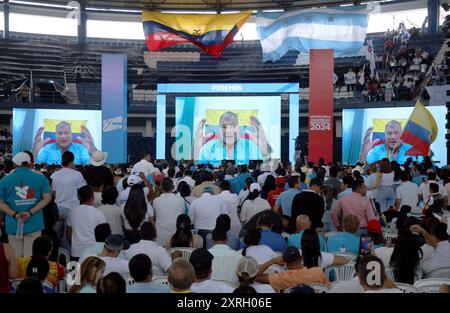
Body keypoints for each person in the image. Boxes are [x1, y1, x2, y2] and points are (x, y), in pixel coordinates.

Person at [0, 152, 51, 257]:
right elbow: (47, 198)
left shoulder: (5, 180)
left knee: (15, 259)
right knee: (31, 258)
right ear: (29, 163)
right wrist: (30, 212)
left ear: (14, 164)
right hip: (34, 223)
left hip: (13, 224)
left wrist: (15, 214)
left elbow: (0, 202)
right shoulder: (41, 178)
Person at [196, 112, 270, 165]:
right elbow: (199, 172)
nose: (228, 131)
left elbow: (260, 173)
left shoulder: (251, 146)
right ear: (219, 129)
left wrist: (264, 152)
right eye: (224, 127)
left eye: (233, 126)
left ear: (238, 128)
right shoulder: (208, 147)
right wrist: (197, 149)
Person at [256, 246, 328, 292]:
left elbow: (256, 276)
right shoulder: (318, 272)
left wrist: (272, 261)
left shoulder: (282, 277)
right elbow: (329, 289)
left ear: (284, 262)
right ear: (301, 259)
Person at [67, 185, 106, 260]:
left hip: (76, 251)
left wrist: (74, 245)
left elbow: (68, 232)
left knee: (76, 271)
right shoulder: (98, 213)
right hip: (94, 252)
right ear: (92, 197)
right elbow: (103, 234)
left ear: (79, 197)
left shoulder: (73, 211)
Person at [50, 151, 87, 220]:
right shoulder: (77, 174)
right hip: (72, 208)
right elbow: (83, 191)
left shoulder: (54, 175)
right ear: (72, 161)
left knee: (56, 230)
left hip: (57, 209)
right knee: (70, 230)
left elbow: (52, 193)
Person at [153, 178, 185, 246]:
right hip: (176, 236)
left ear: (161, 187)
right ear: (173, 187)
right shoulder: (180, 200)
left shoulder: (156, 201)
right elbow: (183, 216)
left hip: (160, 237)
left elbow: (154, 217)